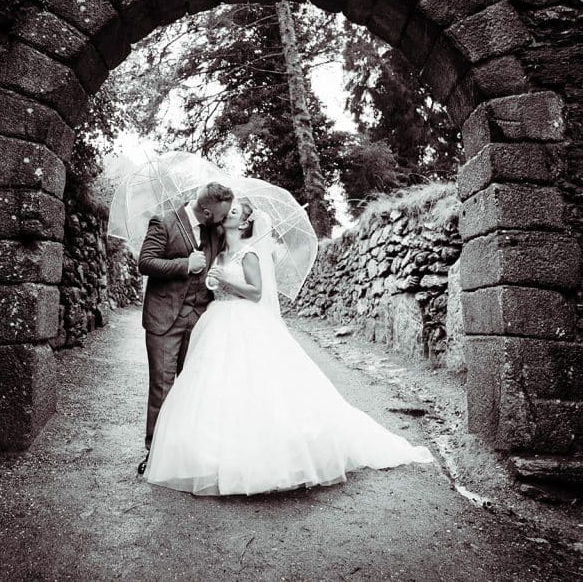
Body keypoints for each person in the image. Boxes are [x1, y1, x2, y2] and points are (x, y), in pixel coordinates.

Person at [144, 200, 433, 496]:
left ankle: (258, 458)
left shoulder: (249, 254)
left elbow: (256, 294)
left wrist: (228, 285)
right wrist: (211, 280)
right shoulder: (218, 251)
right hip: (217, 321)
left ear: (244, 224)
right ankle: (207, 454)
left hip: (243, 321)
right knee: (215, 387)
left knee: (255, 386)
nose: (225, 215)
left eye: (232, 213)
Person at [136, 181, 235, 476]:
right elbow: (145, 262)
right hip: (164, 319)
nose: (223, 220)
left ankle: (187, 452)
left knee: (195, 389)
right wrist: (184, 264)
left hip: (199, 318)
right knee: (162, 388)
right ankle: (155, 454)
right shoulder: (164, 222)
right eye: (220, 215)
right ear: (206, 211)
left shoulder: (215, 230)